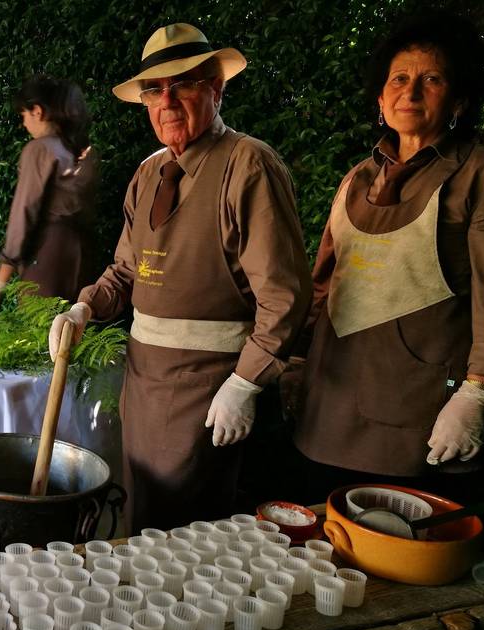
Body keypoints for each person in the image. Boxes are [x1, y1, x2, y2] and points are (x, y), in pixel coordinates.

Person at [48, 23, 312, 531]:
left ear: (216, 87)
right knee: (141, 515)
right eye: (154, 89)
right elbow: (125, 270)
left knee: (186, 535)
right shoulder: (149, 173)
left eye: (184, 84)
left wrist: (245, 382)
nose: (167, 101)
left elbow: (284, 296)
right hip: (143, 381)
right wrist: (84, 307)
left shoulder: (247, 165)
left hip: (209, 386)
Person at [289, 11, 484, 510]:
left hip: (418, 411)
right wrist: (297, 362)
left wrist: (478, 390)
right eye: (399, 79)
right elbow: (323, 286)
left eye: (431, 79)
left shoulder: (482, 176)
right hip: (329, 403)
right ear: (381, 102)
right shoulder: (356, 179)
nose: (411, 91)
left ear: (459, 100)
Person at [0, 75, 98, 309]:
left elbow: (23, 214)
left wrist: (0, 280)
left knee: (40, 337)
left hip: (46, 257)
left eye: (23, 115)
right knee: (74, 336)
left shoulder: (39, 150)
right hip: (83, 257)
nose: (24, 123)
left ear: (37, 111)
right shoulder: (82, 150)